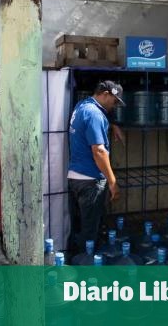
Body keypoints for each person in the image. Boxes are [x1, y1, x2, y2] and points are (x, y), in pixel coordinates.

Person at [67, 80, 125, 254]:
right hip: (91, 181)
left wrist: (111, 125)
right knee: (90, 231)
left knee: (78, 227)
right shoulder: (95, 115)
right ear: (106, 94)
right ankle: (87, 271)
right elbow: (99, 151)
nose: (114, 106)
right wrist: (113, 182)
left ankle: (74, 262)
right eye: (114, 101)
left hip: (76, 178)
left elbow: (91, 124)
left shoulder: (82, 106)